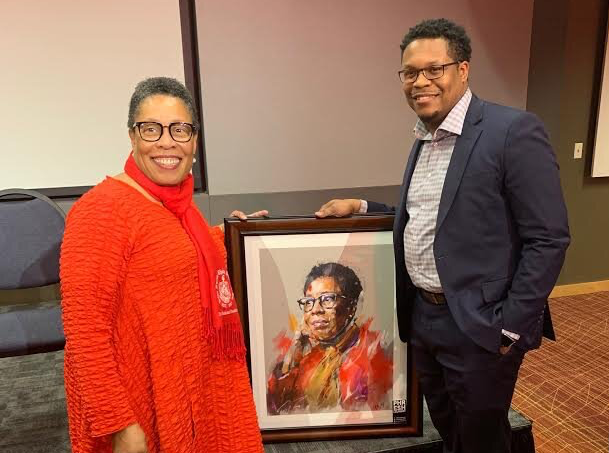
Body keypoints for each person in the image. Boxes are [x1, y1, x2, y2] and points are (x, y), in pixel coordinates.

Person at [316, 19, 570, 453]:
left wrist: (509, 326)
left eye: (434, 69)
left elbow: (548, 238)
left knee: (482, 439)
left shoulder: (511, 131)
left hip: (481, 324)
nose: (420, 82)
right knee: (450, 431)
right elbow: (432, 217)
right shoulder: (425, 138)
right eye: (410, 73)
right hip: (425, 318)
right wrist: (361, 207)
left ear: (464, 69)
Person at [60, 77, 267, 453]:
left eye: (180, 129)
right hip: (137, 405)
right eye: (151, 129)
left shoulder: (177, 209)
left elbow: (168, 251)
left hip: (191, 387)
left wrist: (229, 233)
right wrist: (120, 424)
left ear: (195, 140)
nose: (167, 141)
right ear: (132, 136)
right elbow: (84, 337)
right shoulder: (100, 211)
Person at [266, 262, 392, 415]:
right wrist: (293, 352)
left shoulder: (373, 354)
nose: (316, 310)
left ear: (351, 307)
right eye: (308, 302)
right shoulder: (308, 356)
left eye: (327, 299)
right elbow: (279, 409)